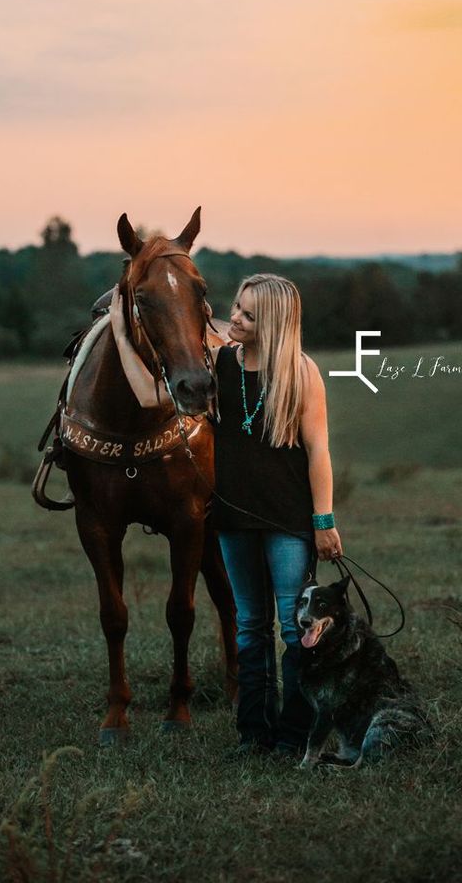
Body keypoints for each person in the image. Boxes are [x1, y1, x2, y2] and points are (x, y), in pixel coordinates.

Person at [109, 272, 343, 758]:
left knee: (293, 628)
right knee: (249, 627)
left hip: (288, 522)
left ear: (272, 323)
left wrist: (324, 521)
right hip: (233, 519)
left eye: (247, 314)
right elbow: (152, 395)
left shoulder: (301, 373)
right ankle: (253, 735)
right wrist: (118, 328)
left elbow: (318, 450)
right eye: (235, 306)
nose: (232, 318)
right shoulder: (218, 364)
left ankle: (294, 737)